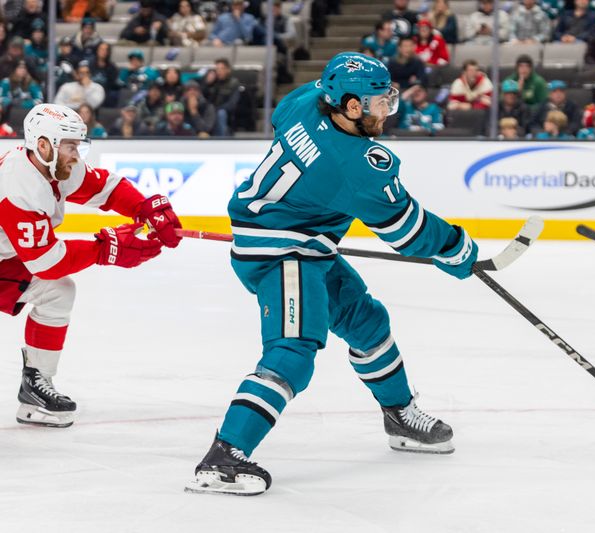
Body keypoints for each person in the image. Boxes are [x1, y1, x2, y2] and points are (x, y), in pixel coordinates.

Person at [185, 52, 478, 496]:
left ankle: (399, 414)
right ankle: (225, 454)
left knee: (368, 322)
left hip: (300, 242)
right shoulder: (357, 163)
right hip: (284, 253)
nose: (387, 109)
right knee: (293, 349)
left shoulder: (306, 100)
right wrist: (457, 248)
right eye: (379, 101)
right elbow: (408, 230)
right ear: (352, 106)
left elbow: (290, 123)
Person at [0, 104, 181, 428]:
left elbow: (105, 188)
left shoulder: (52, 166)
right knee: (53, 282)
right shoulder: (18, 186)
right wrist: (106, 248)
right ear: (43, 144)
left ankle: (34, 391)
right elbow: (44, 261)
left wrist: (142, 207)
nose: (76, 153)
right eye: (70, 145)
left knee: (57, 292)